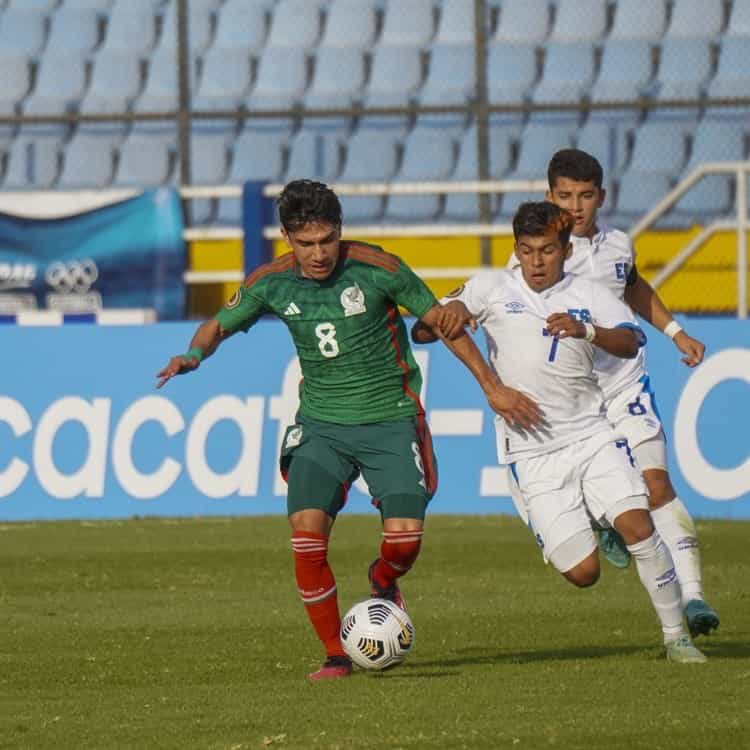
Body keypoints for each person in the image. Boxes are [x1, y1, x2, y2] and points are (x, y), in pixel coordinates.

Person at [156, 179, 540, 681]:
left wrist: (491, 386)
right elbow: (218, 325)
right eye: (306, 243)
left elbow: (445, 325)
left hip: (390, 419)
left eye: (327, 240)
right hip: (322, 428)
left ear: (340, 231)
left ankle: (382, 582)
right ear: (287, 238)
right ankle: (337, 654)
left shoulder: (380, 269)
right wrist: (193, 355)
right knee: (306, 533)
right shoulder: (270, 282)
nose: (318, 254)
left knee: (404, 542)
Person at [440, 150, 719, 639]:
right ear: (550, 199)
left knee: (655, 486)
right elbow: (487, 310)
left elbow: (634, 290)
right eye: (565, 196)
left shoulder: (617, 247)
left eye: (585, 196)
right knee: (593, 552)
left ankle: (693, 597)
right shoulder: (526, 260)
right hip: (572, 396)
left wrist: (675, 331)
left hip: (621, 378)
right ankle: (594, 514)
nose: (575, 206)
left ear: (601, 198)